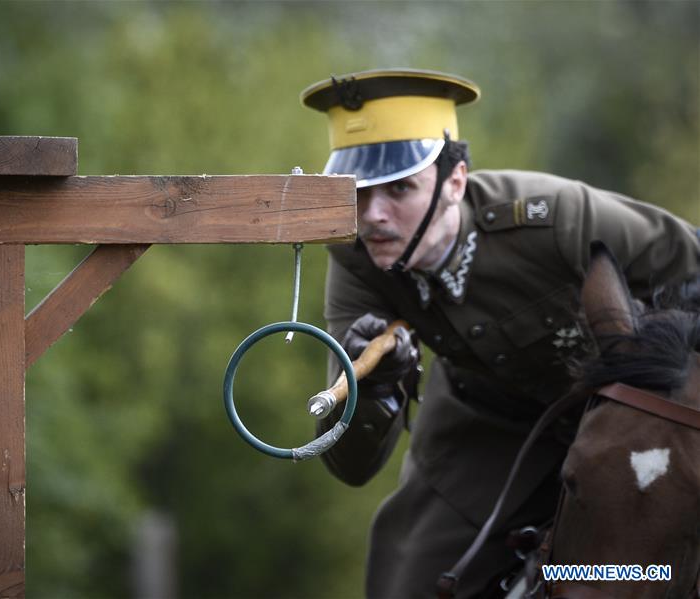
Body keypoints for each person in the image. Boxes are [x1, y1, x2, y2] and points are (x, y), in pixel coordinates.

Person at [299, 69, 700, 598]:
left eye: (400, 188)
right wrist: (372, 389)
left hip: (627, 417)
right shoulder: (355, 262)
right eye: (359, 191)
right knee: (408, 573)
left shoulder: (556, 219)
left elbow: (691, 263)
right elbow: (349, 466)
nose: (373, 215)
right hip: (481, 426)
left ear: (455, 182)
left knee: (627, 571)